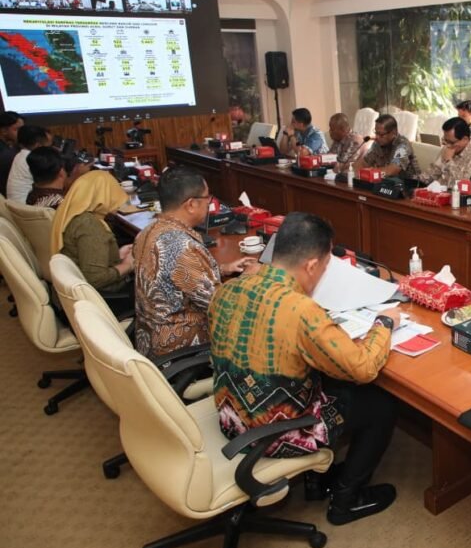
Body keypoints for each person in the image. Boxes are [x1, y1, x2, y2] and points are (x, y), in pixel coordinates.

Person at [210, 212, 400, 526]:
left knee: (329, 382)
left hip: (231, 417)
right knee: (380, 404)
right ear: (311, 265)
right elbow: (363, 367)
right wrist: (384, 324)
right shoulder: (301, 311)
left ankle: (316, 482)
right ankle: (345, 501)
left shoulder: (227, 289)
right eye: (325, 268)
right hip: (271, 433)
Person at [132, 166, 257, 358]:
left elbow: (175, 278)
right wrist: (248, 278)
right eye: (207, 198)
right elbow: (222, 305)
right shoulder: (181, 248)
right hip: (180, 349)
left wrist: (222, 269)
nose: (209, 203)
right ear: (191, 204)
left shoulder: (147, 232)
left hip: (150, 339)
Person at [51, 171, 134, 315]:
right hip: (103, 300)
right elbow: (96, 278)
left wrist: (117, 255)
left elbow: (88, 255)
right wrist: (128, 265)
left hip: (77, 297)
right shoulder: (89, 226)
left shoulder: (75, 215)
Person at [357, 114, 422, 179]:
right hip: (388, 182)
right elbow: (364, 163)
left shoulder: (403, 145)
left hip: (410, 182)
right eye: (376, 133)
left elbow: (392, 170)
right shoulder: (378, 143)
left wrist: (370, 172)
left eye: (381, 134)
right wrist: (356, 173)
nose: (377, 137)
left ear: (393, 132)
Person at [427, 117, 471, 186]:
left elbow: (465, 185)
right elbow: (433, 173)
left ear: (465, 139)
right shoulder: (448, 146)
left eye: (451, 142)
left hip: (463, 192)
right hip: (439, 190)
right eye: (445, 140)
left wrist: (448, 161)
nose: (447, 145)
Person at [6, 124, 51, 203]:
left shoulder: (20, 155)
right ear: (38, 145)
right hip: (26, 207)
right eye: (47, 147)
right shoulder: (32, 159)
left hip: (15, 205)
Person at [0, 111, 24, 197]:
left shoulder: (12, 147)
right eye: (17, 129)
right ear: (4, 131)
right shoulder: (6, 154)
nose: (22, 134)